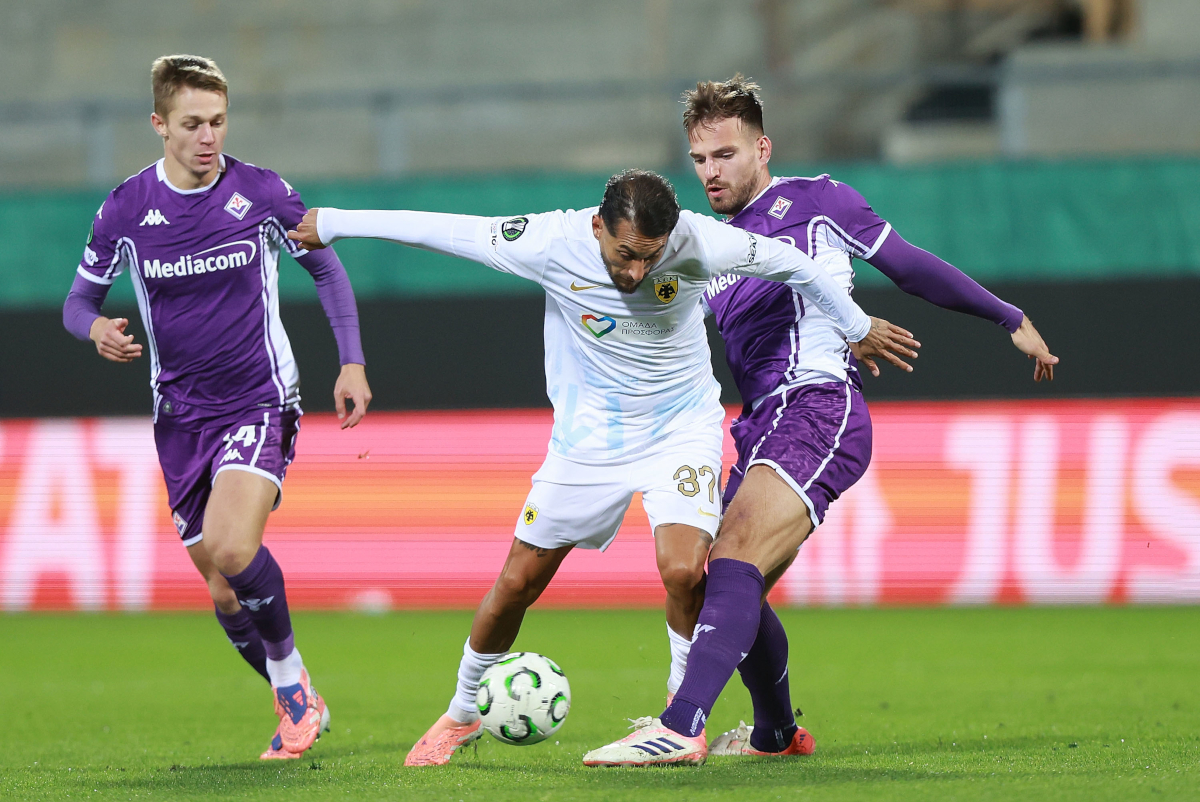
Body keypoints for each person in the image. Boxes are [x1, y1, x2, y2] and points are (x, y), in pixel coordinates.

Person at [287, 168, 915, 766]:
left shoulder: (702, 240)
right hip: (590, 440)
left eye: (651, 255)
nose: (638, 270)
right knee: (516, 584)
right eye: (625, 255)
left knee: (685, 570)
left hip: (681, 429)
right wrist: (337, 221)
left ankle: (675, 716)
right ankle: (460, 713)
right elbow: (450, 230)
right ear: (597, 229)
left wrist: (855, 326)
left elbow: (796, 265)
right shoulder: (551, 240)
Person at [582, 75, 1058, 766]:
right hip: (757, 426)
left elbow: (910, 266)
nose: (711, 172)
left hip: (818, 405)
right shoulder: (700, 247)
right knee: (722, 582)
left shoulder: (816, 202)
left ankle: (681, 724)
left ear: (761, 148)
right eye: (700, 159)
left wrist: (1006, 316)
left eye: (725, 154)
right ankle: (777, 734)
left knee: (737, 556)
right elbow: (647, 308)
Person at [61, 55, 372, 760]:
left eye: (219, 122)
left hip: (259, 398)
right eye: (193, 124)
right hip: (180, 417)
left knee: (234, 549)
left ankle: (292, 690)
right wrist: (96, 328)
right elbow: (76, 302)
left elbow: (325, 265)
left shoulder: (259, 192)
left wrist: (350, 360)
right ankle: (299, 694)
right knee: (222, 586)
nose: (209, 137)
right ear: (159, 125)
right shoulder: (125, 210)